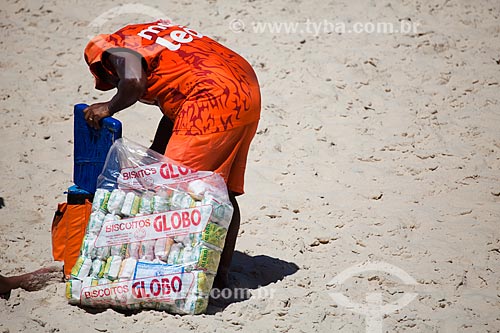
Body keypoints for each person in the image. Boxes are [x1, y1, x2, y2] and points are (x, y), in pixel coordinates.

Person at [83, 20, 261, 290]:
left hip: (211, 98)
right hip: (244, 87)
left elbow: (132, 82)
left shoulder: (115, 51)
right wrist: (153, 155)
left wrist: (109, 107)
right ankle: (220, 275)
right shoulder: (153, 39)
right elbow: (175, 110)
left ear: (102, 66)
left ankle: (177, 275)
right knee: (218, 188)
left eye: (110, 81)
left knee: (177, 192)